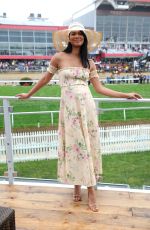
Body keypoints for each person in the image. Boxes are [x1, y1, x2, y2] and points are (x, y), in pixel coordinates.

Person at [16, 22, 142, 212]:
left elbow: (100, 89)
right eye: (73, 34)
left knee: (87, 147)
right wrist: (29, 94)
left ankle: (91, 191)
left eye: (80, 34)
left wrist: (126, 94)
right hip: (69, 111)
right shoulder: (59, 57)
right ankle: (76, 184)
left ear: (84, 38)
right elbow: (45, 79)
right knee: (75, 147)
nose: (76, 36)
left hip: (87, 109)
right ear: (68, 37)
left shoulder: (89, 63)